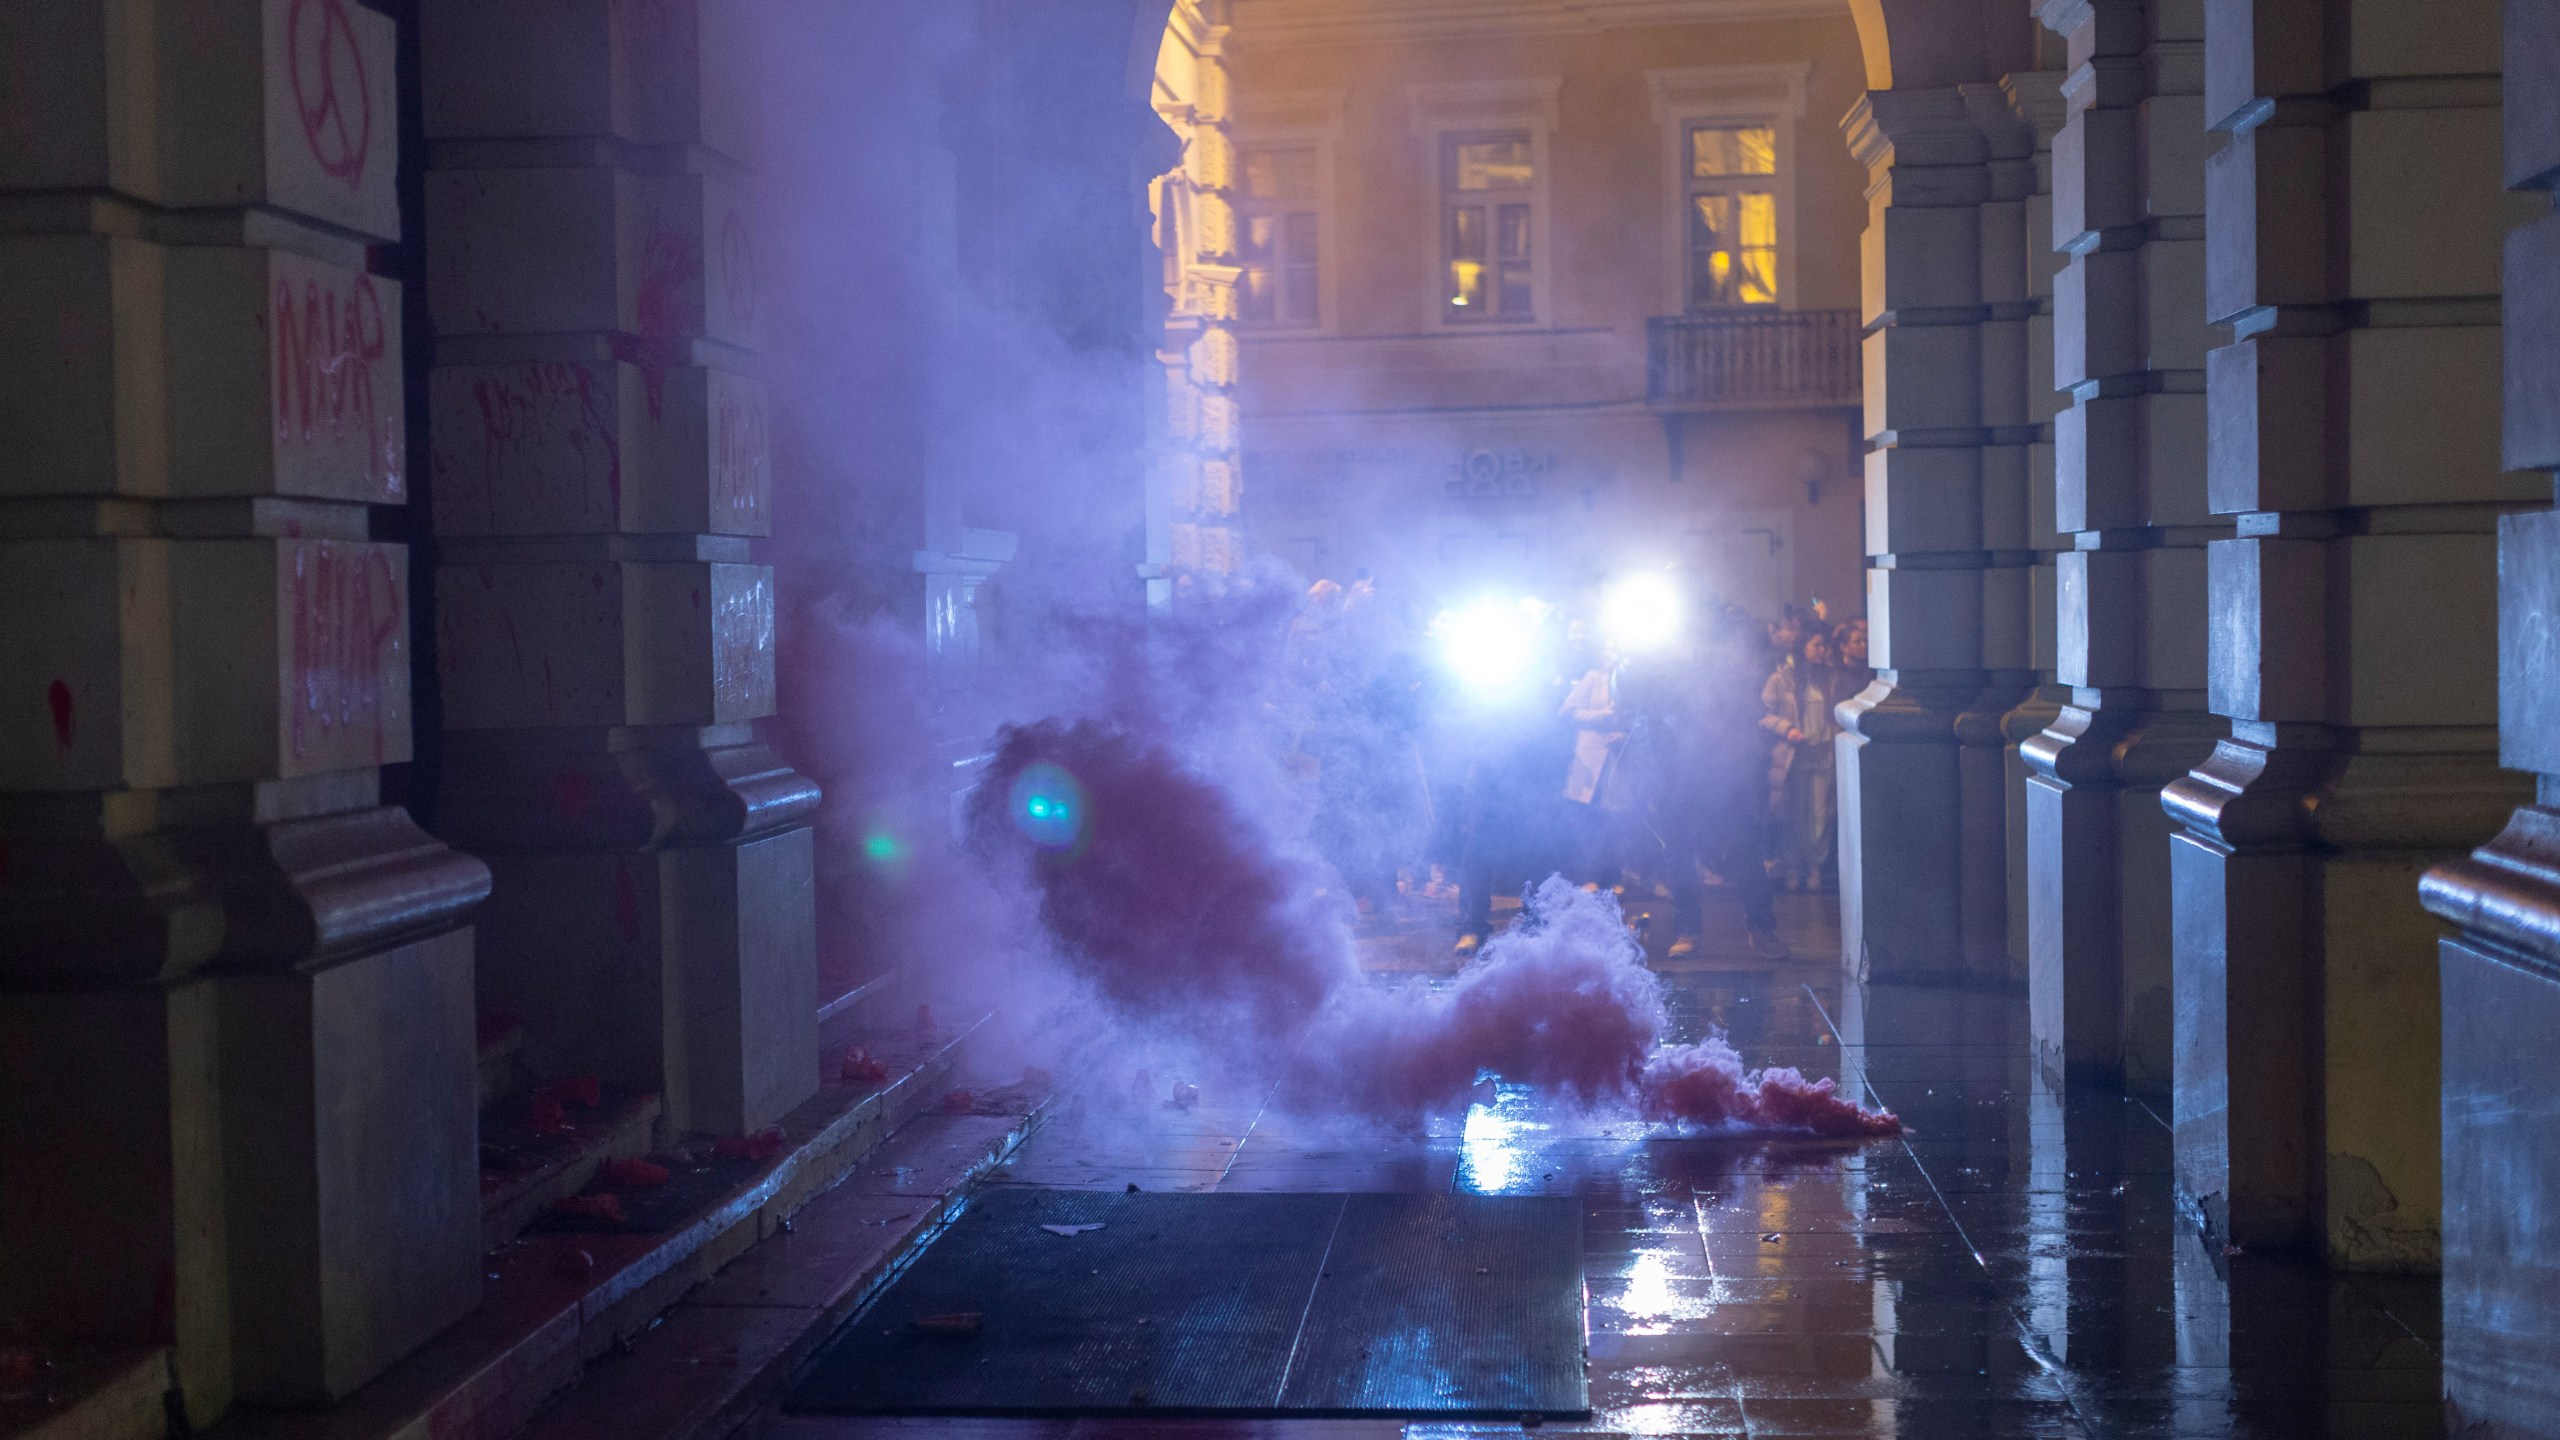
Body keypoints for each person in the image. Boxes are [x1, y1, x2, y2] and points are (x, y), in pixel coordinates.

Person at [1637, 602, 1786, 959]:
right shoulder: (1659, 666)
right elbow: (1646, 718)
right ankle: (1688, 929)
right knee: (1679, 854)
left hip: (1724, 772)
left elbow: (1747, 716)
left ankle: (1761, 928)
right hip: (1677, 774)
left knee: (1744, 851)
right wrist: (1653, 778)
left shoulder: (1728, 665)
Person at [1762, 627, 1843, 892]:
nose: (1822, 651)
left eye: (1824, 646)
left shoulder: (1829, 679)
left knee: (1819, 815)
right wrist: (1787, 729)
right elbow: (1764, 714)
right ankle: (1792, 866)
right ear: (1803, 647)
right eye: (1817, 645)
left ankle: (1815, 866)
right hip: (1794, 756)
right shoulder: (1781, 679)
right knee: (1793, 812)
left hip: (1821, 753)